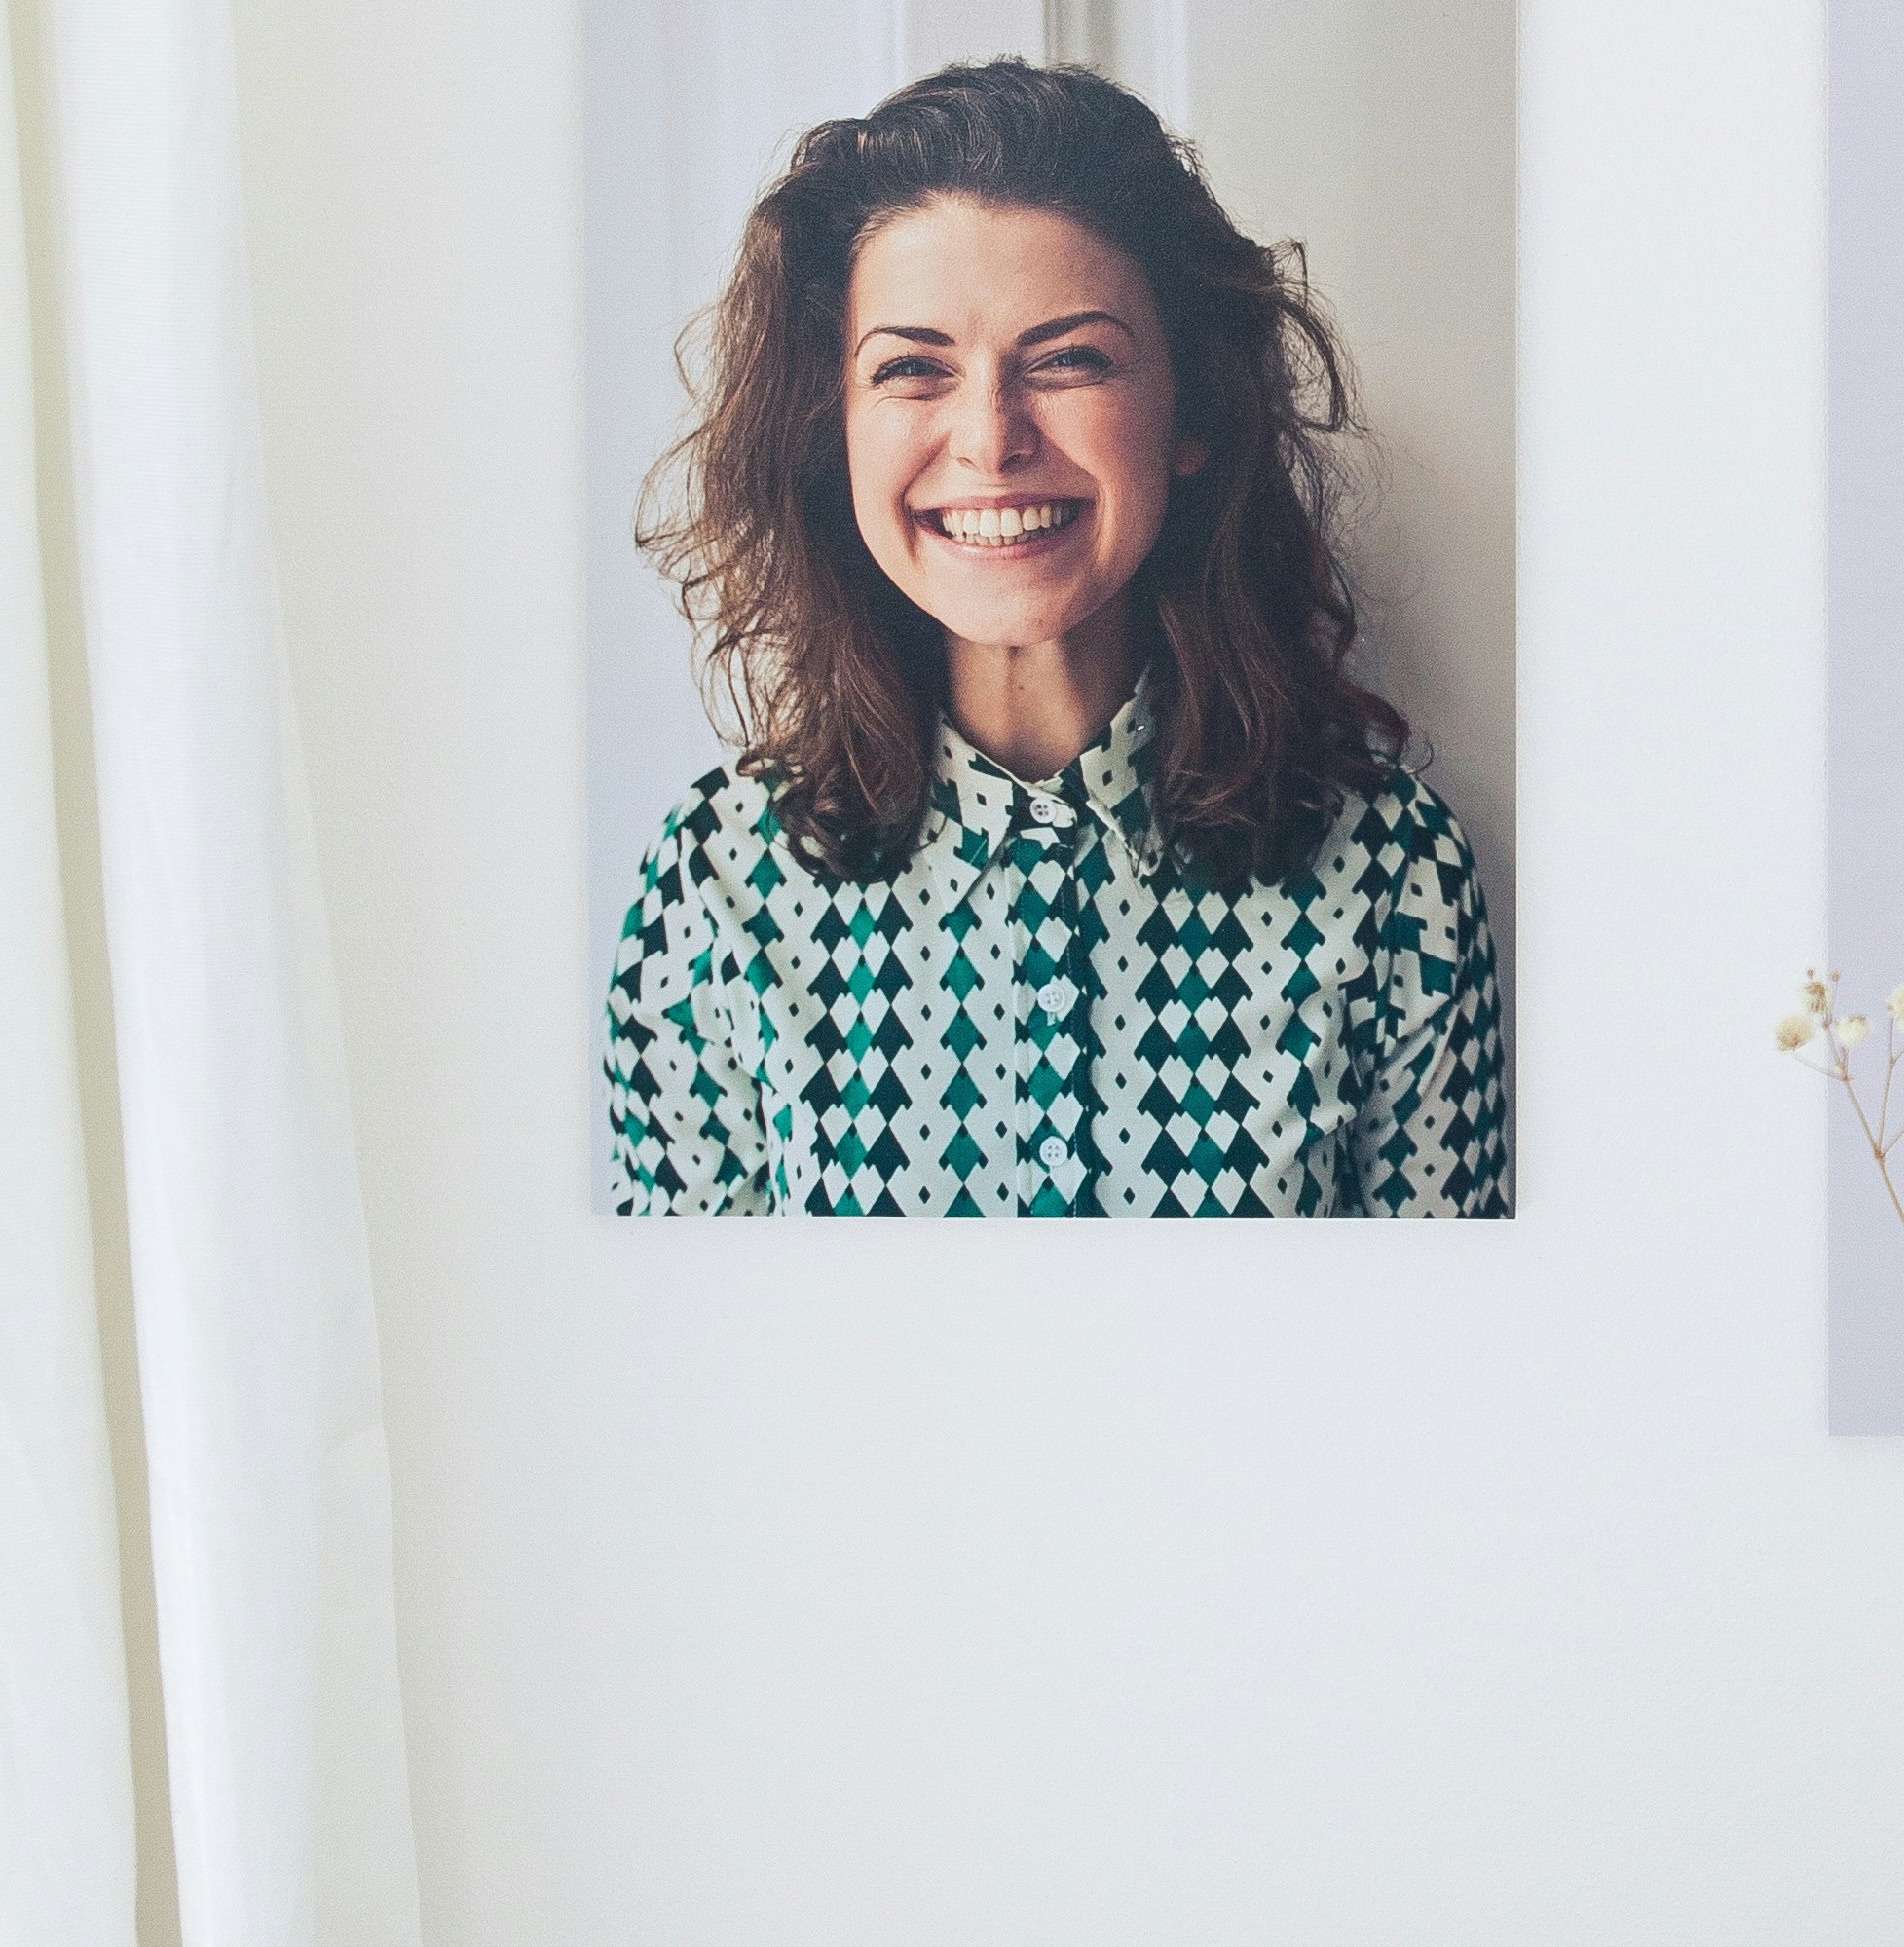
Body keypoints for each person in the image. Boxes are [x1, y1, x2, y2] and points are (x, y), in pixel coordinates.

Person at [606, 58, 1508, 1216]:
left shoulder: (1392, 875)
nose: (988, 438)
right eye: (912, 369)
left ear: (1191, 413)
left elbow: (1435, 1377)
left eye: (1070, 358)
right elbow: (691, 1384)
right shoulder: (712, 881)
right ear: (830, 433)